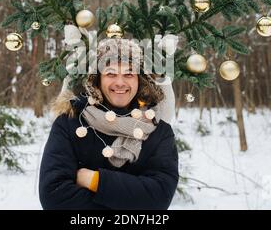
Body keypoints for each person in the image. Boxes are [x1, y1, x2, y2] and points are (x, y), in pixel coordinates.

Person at [38, 38, 179, 209]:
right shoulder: (69, 123)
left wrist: (94, 181)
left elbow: (159, 198)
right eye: (111, 73)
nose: (120, 82)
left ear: (139, 80)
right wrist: (133, 200)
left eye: (129, 74)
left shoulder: (159, 132)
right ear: (96, 79)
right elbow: (53, 197)